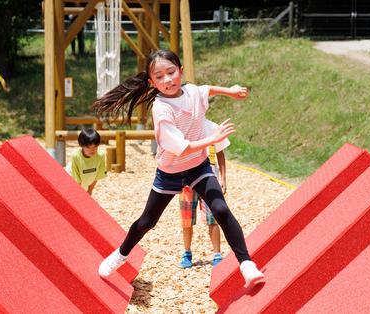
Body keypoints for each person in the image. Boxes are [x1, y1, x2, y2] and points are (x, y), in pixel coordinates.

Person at [93, 50, 264, 288]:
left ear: (180, 71)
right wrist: (212, 138)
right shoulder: (161, 108)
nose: (167, 80)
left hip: (198, 167)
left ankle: (247, 265)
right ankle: (120, 255)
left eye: (171, 72)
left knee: (220, 209)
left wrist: (230, 91)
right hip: (170, 172)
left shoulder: (192, 91)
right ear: (152, 83)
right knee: (146, 222)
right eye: (160, 77)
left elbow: (206, 89)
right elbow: (182, 148)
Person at [178, 121, 228, 268]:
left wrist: (223, 178)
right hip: (186, 181)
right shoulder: (182, 127)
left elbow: (220, 154)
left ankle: (217, 254)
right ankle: (187, 252)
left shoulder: (212, 127)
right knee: (186, 218)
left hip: (209, 180)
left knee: (213, 218)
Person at [66, 128, 106, 195]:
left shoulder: (101, 155)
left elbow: (98, 176)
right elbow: (76, 180)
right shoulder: (76, 157)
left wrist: (90, 190)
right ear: (82, 145)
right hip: (71, 182)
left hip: (85, 181)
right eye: (88, 147)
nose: (92, 150)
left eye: (95, 147)